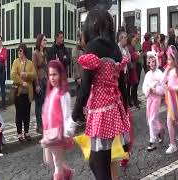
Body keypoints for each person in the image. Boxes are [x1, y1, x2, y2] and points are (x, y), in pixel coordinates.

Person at [71, 9, 130, 180]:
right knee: (98, 161)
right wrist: (124, 111)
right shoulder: (115, 49)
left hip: (100, 112)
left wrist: (74, 114)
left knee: (100, 164)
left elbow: (86, 85)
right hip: (113, 110)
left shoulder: (92, 47)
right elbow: (122, 85)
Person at [41, 60, 76, 180]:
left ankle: (60, 175)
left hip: (59, 133)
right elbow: (46, 112)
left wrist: (67, 132)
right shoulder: (50, 92)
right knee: (47, 160)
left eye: (55, 74)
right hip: (49, 133)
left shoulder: (63, 94)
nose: (52, 78)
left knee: (56, 164)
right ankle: (66, 173)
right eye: (50, 75)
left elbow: (67, 115)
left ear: (61, 75)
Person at [162, 45, 178, 154]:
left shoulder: (177, 71)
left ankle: (173, 144)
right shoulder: (169, 69)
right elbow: (162, 80)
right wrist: (166, 70)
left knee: (170, 121)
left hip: (174, 98)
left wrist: (172, 88)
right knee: (173, 121)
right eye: (167, 59)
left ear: (174, 59)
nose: (168, 61)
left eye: (169, 59)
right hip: (168, 97)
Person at [11, 43, 36, 142]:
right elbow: (13, 75)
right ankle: (19, 133)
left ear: (24, 52)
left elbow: (34, 75)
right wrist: (22, 82)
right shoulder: (15, 62)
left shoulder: (30, 63)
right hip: (19, 93)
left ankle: (26, 132)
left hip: (28, 93)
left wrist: (26, 74)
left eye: (20, 51)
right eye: (18, 50)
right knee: (19, 114)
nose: (19, 52)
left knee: (27, 113)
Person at [142, 52, 165, 151]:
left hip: (156, 98)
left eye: (153, 62)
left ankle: (152, 141)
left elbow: (163, 87)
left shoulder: (160, 73)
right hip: (149, 98)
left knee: (152, 119)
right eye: (149, 62)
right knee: (151, 118)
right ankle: (160, 130)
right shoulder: (147, 74)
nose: (151, 64)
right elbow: (144, 86)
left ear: (156, 62)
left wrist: (155, 90)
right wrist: (148, 89)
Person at [33, 34, 48, 134]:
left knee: (44, 104)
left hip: (45, 81)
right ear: (40, 42)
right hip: (39, 81)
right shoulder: (35, 53)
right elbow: (34, 70)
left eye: (46, 40)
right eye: (44, 40)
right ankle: (39, 126)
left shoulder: (45, 53)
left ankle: (44, 124)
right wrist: (36, 84)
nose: (45, 41)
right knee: (38, 105)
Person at [127, 33, 140, 108]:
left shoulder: (131, 47)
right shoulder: (130, 47)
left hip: (132, 68)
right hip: (131, 68)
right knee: (133, 84)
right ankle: (133, 101)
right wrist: (137, 55)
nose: (135, 42)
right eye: (134, 40)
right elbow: (133, 57)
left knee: (130, 85)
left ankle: (131, 101)